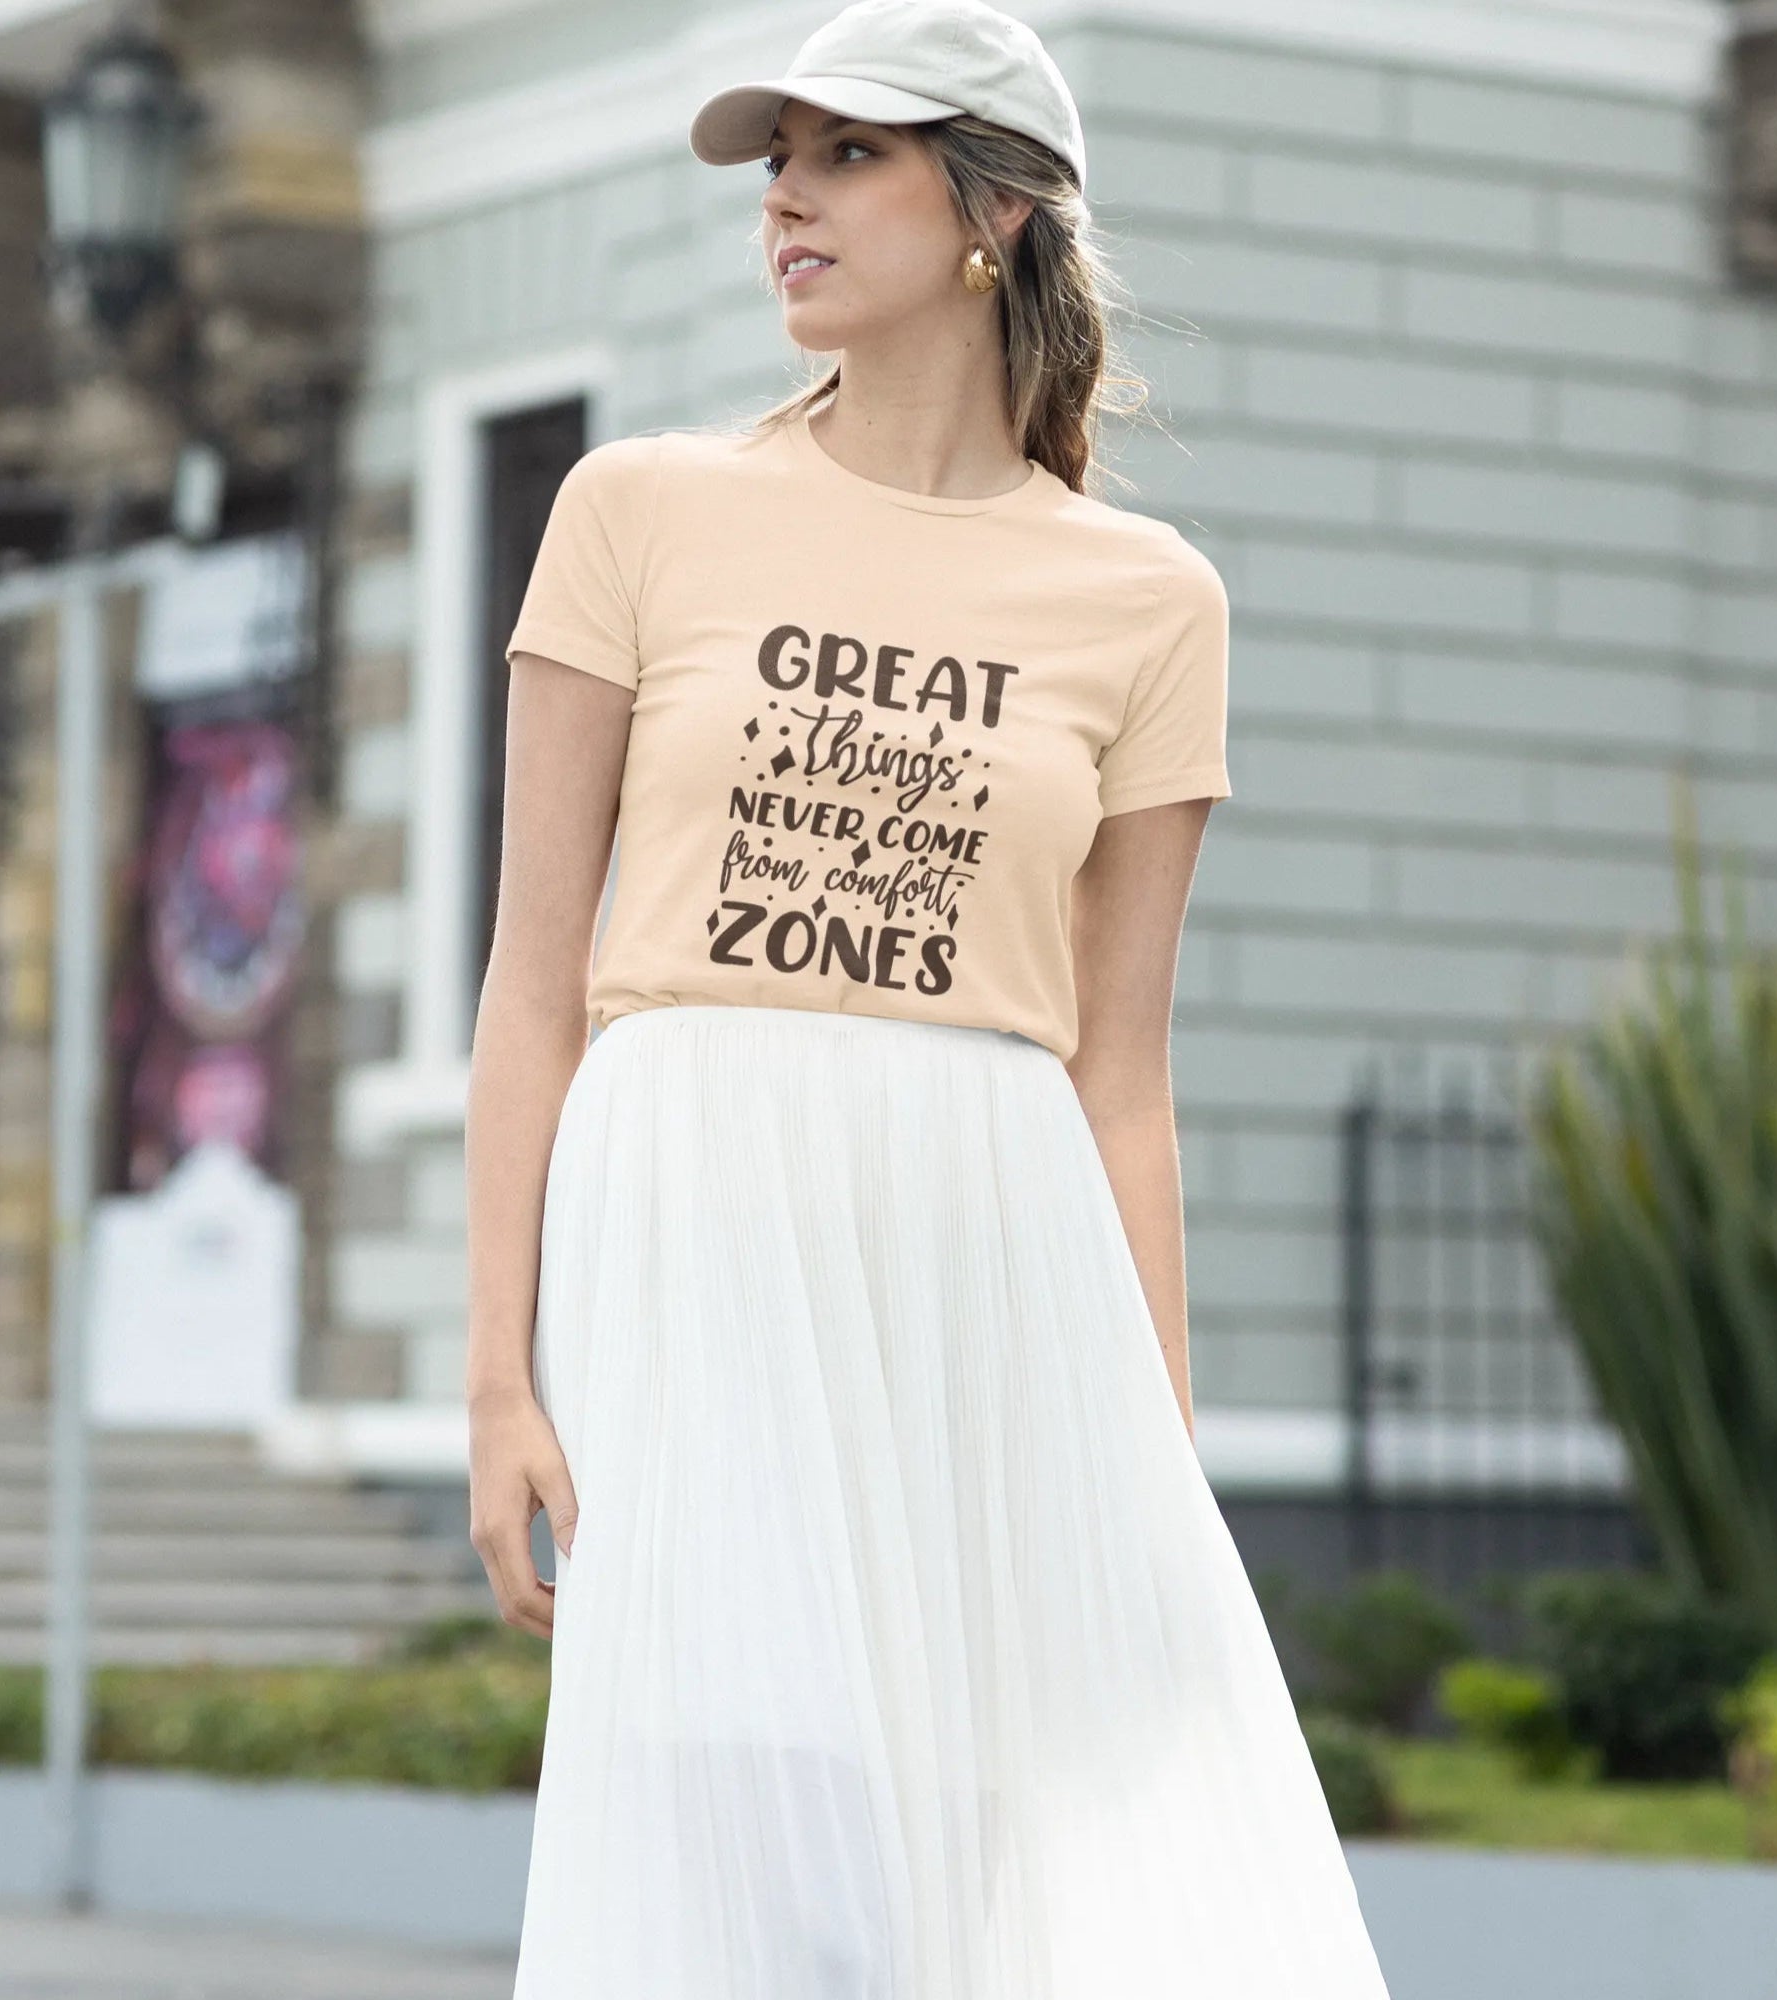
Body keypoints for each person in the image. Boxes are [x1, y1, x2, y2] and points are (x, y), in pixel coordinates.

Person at [467, 1, 1393, 1993]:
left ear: (991, 214)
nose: (783, 200)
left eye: (844, 154)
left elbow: (1118, 1075)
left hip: (986, 1239)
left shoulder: (1150, 598)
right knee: (722, 1821)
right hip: (692, 1215)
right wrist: (495, 1380)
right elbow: (532, 982)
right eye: (774, 159)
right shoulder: (638, 510)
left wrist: (1153, 1445)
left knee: (978, 1839)